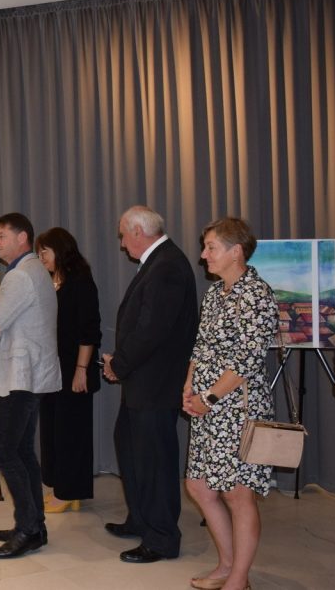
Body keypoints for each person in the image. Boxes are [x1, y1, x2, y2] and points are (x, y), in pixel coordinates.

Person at [182, 217, 278, 590]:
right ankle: (226, 565)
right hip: (207, 409)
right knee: (200, 486)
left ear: (236, 251)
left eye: (211, 247)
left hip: (238, 410)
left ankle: (239, 578)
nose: (203, 255)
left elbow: (248, 360)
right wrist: (189, 386)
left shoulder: (256, 294)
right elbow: (200, 345)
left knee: (237, 494)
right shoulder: (215, 293)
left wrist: (209, 397)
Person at [102, 205, 198, 563]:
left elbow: (151, 330)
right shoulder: (159, 262)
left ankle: (161, 539)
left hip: (155, 385)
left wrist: (119, 365)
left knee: (155, 462)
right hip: (143, 382)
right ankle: (140, 519)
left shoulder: (167, 265)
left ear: (138, 231)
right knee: (130, 449)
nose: (122, 243)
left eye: (123, 235)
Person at [0, 212, 61, 559]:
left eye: (1, 236)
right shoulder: (35, 270)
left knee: (4, 451)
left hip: (21, 377)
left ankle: (28, 530)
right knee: (22, 450)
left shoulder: (20, 276)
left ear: (22, 237)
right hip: (31, 375)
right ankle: (33, 523)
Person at [34, 227, 101, 513]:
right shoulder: (50, 282)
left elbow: (90, 331)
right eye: (38, 253)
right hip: (51, 370)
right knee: (52, 431)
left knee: (72, 434)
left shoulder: (80, 281)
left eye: (45, 252)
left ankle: (69, 492)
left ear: (60, 250)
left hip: (74, 369)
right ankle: (58, 486)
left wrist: (81, 369)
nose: (41, 258)